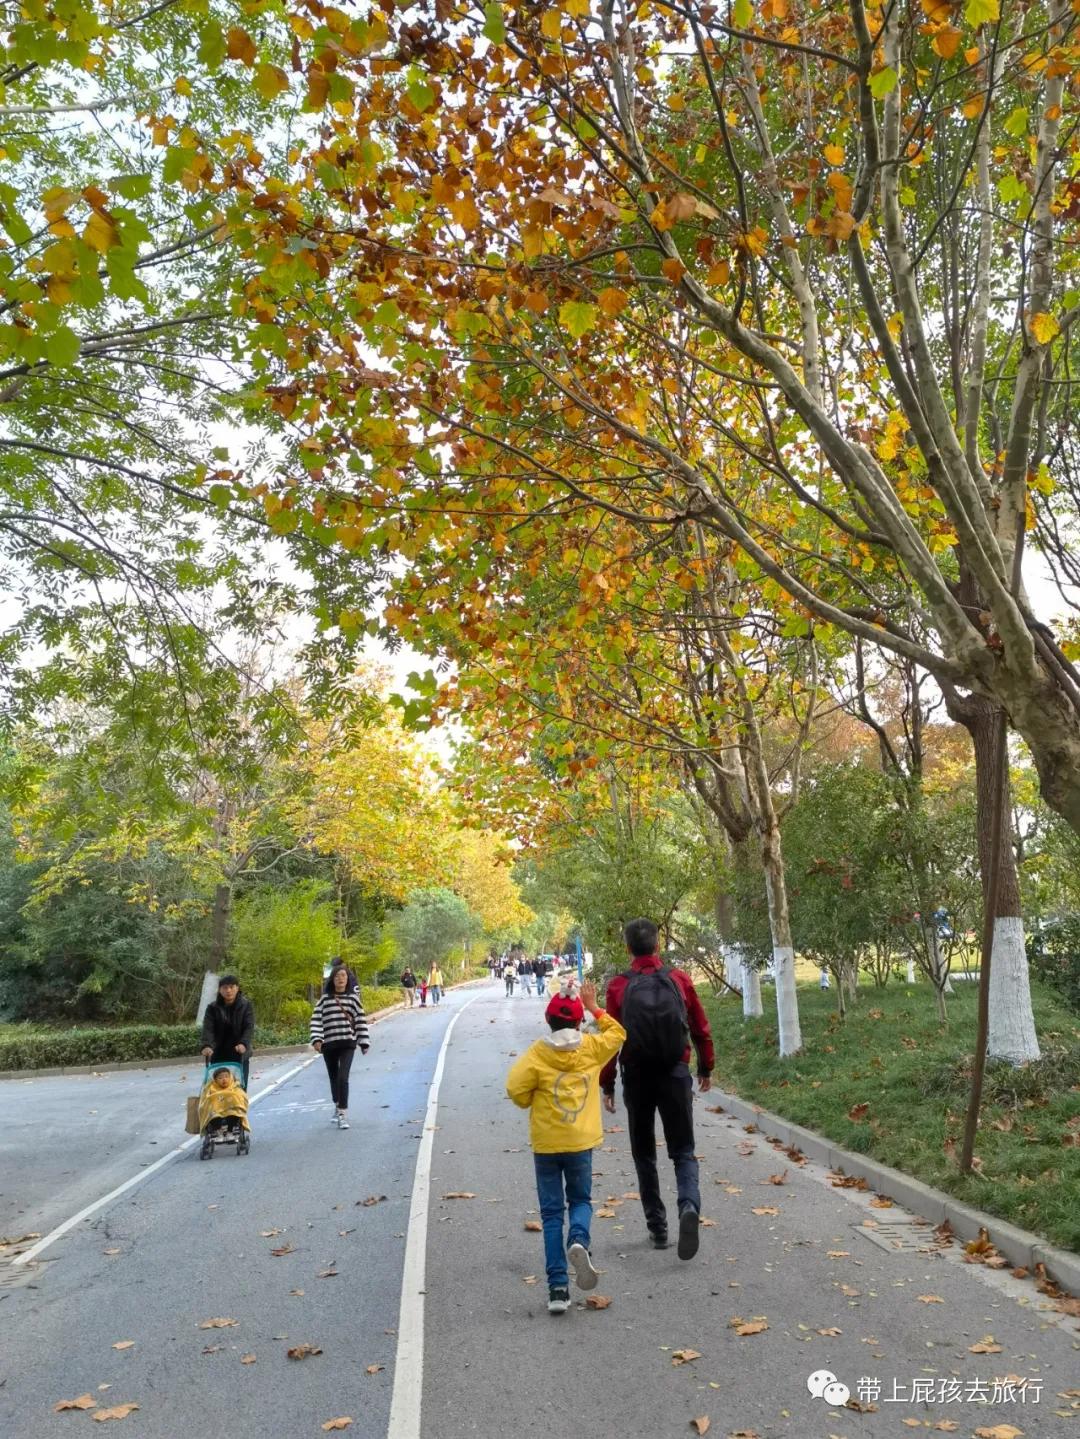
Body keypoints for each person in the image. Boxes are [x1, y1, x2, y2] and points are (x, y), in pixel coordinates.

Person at [506, 978, 626, 1315]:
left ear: (548, 1021)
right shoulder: (590, 1047)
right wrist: (595, 1008)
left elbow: (515, 1090)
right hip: (580, 1141)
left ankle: (558, 1288)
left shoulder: (537, 1054)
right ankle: (580, 1239)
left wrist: (533, 1097)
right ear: (577, 1021)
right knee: (581, 1200)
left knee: (550, 1214)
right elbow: (618, 1035)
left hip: (546, 1144)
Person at [600, 918, 714, 1261]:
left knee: (644, 1153)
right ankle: (688, 1206)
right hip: (675, 1073)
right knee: (683, 1150)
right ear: (658, 944)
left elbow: (611, 1039)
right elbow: (699, 1026)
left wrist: (608, 1083)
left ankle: (658, 1228)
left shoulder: (619, 986)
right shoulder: (679, 979)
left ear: (627, 948)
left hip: (637, 1076)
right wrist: (705, 1066)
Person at [311, 961, 370, 1130]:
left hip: (347, 1043)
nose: (340, 979)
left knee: (343, 1078)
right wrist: (317, 1039)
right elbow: (316, 1019)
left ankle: (343, 1113)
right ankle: (337, 1104)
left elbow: (360, 1020)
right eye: (337, 976)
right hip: (329, 1044)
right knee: (334, 1077)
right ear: (332, 980)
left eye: (343, 976)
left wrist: (363, 1041)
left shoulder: (353, 998)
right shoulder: (325, 999)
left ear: (347, 979)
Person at [200, 974, 255, 1089]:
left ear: (237, 988)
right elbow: (208, 1028)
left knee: (239, 1088)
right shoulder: (212, 1008)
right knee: (217, 1089)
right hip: (218, 1053)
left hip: (239, 1053)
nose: (228, 990)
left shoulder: (246, 1006)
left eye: (231, 987)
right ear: (220, 990)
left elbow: (248, 1027)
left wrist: (243, 1043)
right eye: (225, 987)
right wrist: (207, 1045)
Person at [198, 1065, 250, 1135]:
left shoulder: (235, 1087)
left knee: (235, 1113)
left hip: (231, 1110)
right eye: (220, 1078)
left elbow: (242, 1097)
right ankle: (218, 1131)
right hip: (216, 1111)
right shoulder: (211, 1088)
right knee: (213, 1115)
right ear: (215, 1080)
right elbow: (206, 1100)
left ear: (230, 1077)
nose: (224, 1079)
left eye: (226, 1077)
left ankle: (230, 1131)